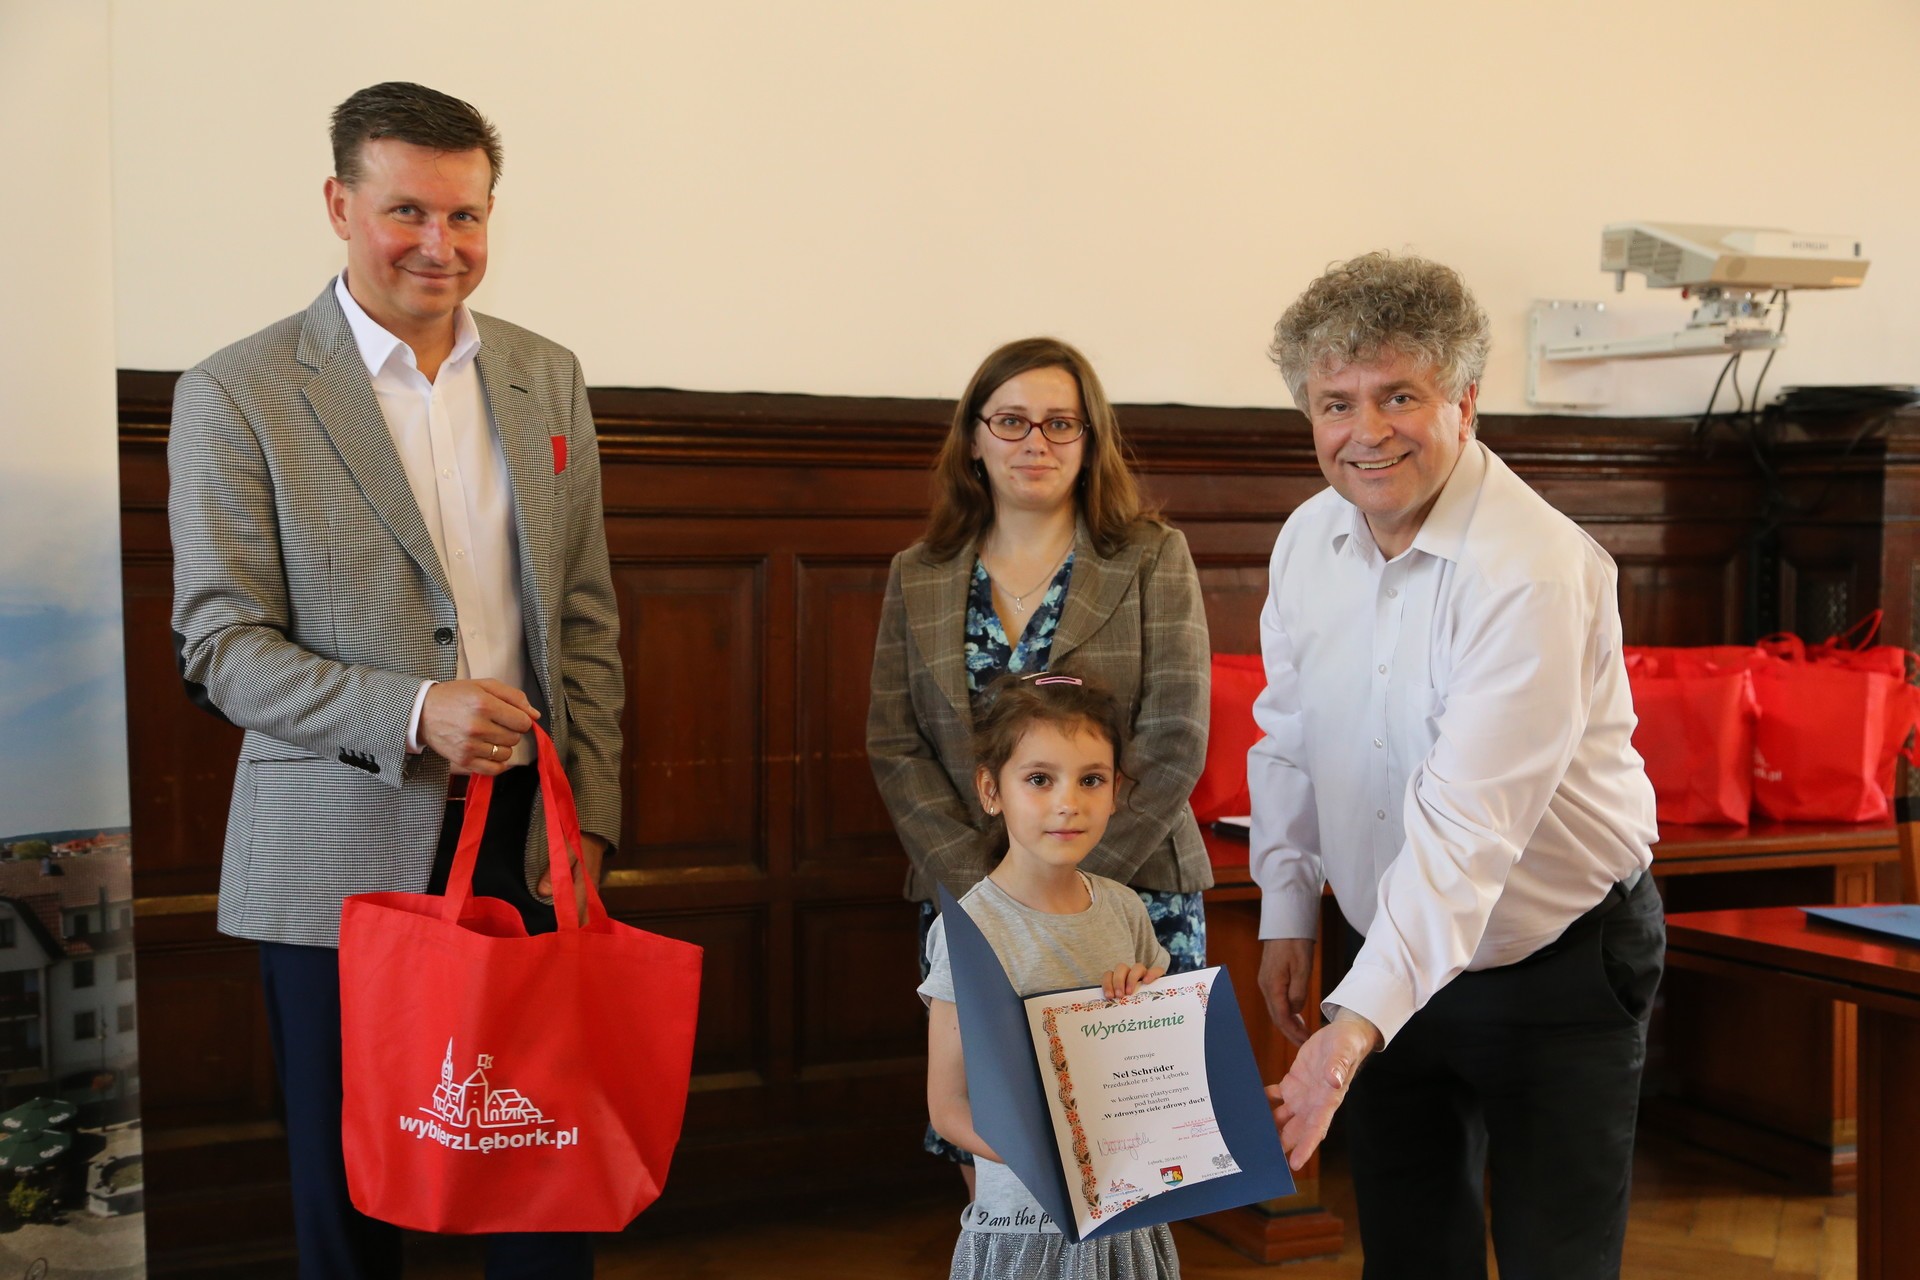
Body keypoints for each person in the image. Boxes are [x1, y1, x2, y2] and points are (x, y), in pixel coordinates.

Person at [168, 82, 622, 1279]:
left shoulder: (546, 375)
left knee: (543, 1181)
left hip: (529, 836)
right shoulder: (237, 391)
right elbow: (218, 645)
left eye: (466, 214)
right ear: (339, 204)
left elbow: (585, 618)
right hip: (335, 853)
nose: (441, 243)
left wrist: (591, 823)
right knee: (353, 1202)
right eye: (407, 210)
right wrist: (414, 709)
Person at [1249, 252, 1664, 1280]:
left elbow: (1468, 831)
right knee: (1409, 1256)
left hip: (1558, 955)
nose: (1367, 431)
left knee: (1554, 1263)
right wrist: (1288, 910)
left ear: (1465, 401)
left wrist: (1350, 1026)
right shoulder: (1306, 540)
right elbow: (1290, 735)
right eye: (1335, 403)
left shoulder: (1532, 567)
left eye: (1400, 395)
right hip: (1384, 942)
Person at [868, 336, 1212, 1189]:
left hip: (1133, 893)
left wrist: (1072, 885)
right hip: (974, 900)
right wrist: (994, 893)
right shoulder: (919, 573)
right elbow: (896, 742)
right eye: (1012, 421)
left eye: (1062, 423)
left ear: (1091, 440)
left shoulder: (1150, 555)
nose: (1037, 442)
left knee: (1134, 1158)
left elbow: (1175, 736)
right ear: (973, 439)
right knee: (996, 1146)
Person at [920, 673, 1181, 1280]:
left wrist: (1146, 1010)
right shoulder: (970, 930)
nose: (1069, 802)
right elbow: (948, 1106)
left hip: (1127, 1214)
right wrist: (1057, 1157)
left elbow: (1164, 1066)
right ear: (992, 791)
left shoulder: (1126, 911)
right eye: (1040, 779)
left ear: (1115, 792)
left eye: (1091, 780)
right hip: (1027, 1228)